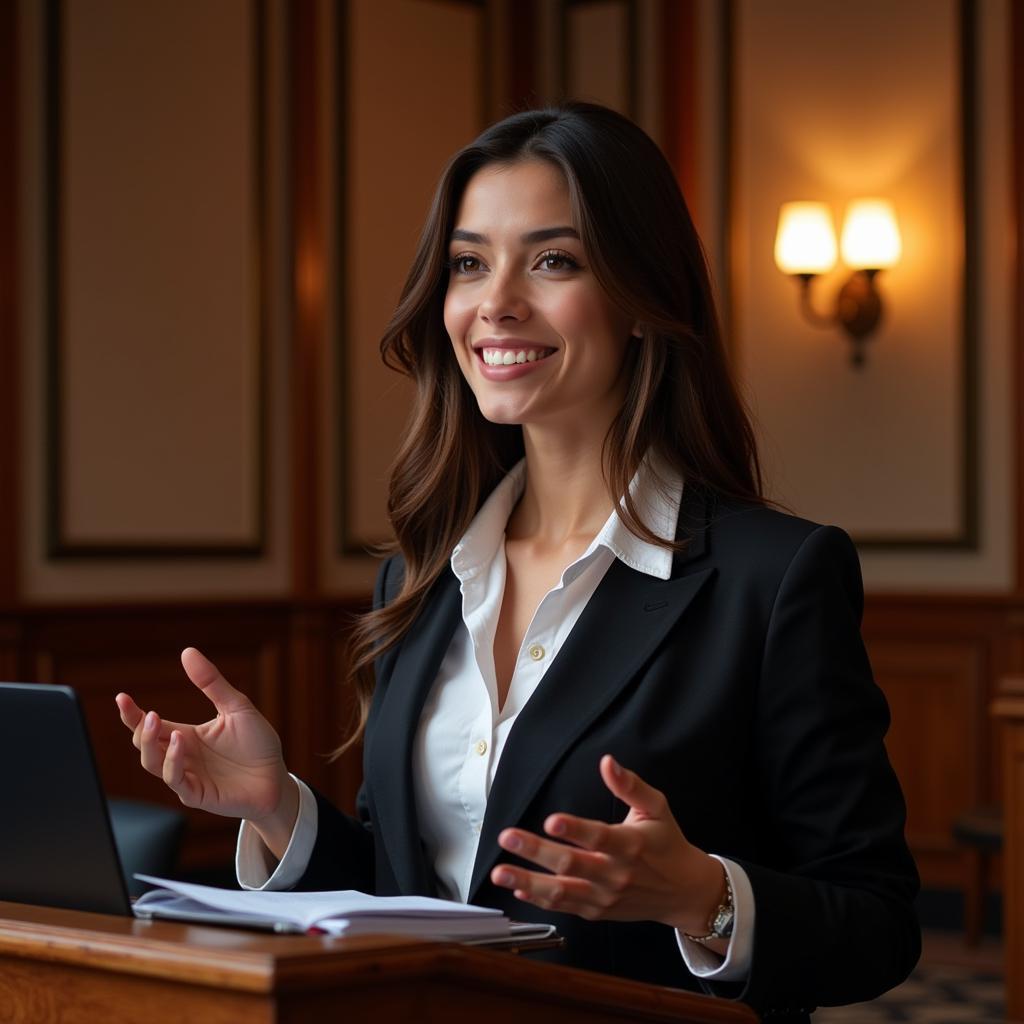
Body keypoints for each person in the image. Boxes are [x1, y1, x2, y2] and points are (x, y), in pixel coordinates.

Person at [116, 102, 920, 1021]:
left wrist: (705, 896)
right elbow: (411, 895)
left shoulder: (773, 579)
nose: (495, 301)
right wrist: (277, 810)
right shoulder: (419, 577)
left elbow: (880, 923)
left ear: (642, 300)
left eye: (553, 260)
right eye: (469, 263)